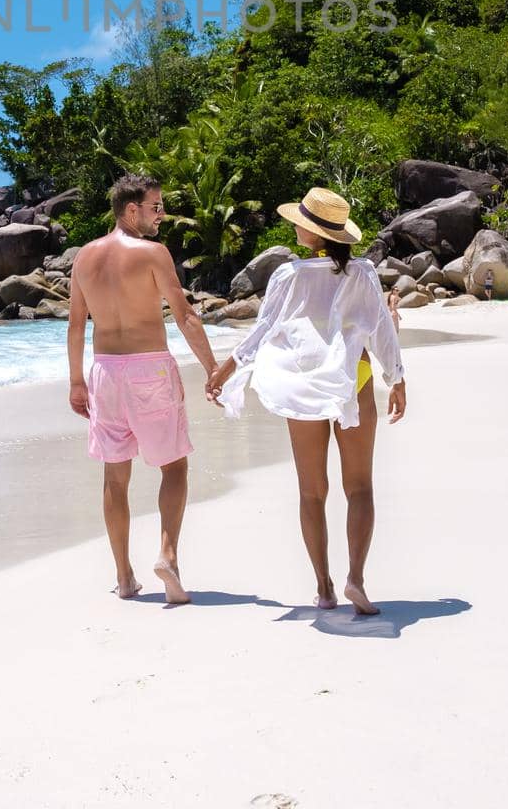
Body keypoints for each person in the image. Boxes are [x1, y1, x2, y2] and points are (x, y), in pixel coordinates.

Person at [208, 187, 406, 616]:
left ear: (311, 232)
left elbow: (263, 331)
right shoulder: (363, 273)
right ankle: (356, 577)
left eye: (299, 220)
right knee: (360, 488)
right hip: (353, 379)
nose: (294, 225)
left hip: (300, 386)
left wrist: (227, 369)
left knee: (311, 492)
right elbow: (381, 332)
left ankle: (324, 586)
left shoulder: (288, 275)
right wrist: (397, 378)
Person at [68, 172, 220, 605]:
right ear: (131, 210)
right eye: (156, 207)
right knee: (173, 467)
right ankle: (168, 557)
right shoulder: (153, 253)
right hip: (149, 370)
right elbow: (185, 315)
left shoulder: (84, 258)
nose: (162, 215)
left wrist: (77, 381)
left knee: (115, 477)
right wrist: (213, 369)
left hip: (105, 373)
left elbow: (77, 324)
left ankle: (124, 577)